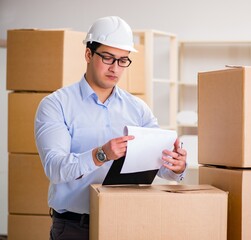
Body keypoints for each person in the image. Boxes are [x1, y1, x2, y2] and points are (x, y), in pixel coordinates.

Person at [35, 16, 187, 240]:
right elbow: (55, 169)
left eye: (123, 60)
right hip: (75, 227)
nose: (115, 68)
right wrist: (101, 154)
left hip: (127, 222)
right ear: (88, 54)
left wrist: (175, 167)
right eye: (107, 58)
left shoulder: (138, 109)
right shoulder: (56, 105)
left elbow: (158, 165)